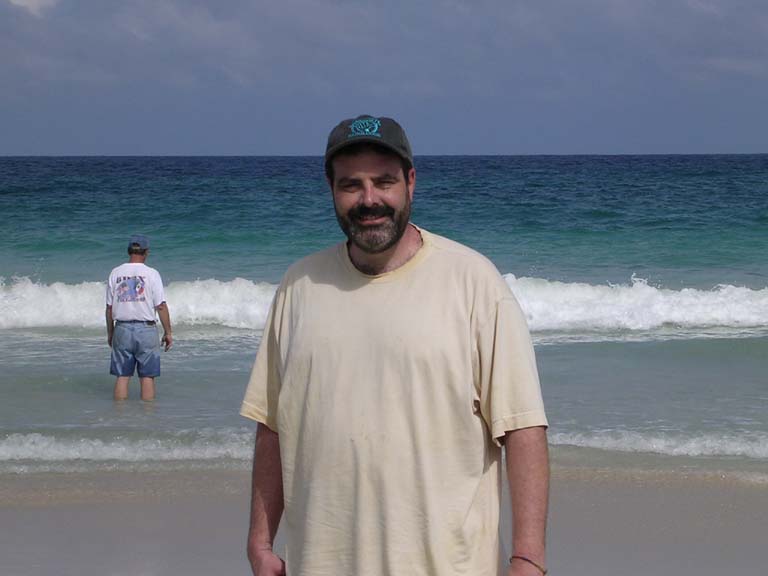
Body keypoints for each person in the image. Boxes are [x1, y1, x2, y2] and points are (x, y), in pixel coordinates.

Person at [241, 115, 549, 576]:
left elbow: (522, 427)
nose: (369, 200)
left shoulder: (474, 282)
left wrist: (528, 558)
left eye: (384, 182)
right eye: (351, 185)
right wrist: (260, 540)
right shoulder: (298, 287)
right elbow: (273, 425)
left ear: (410, 182)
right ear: (331, 189)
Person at [106, 234, 172, 401]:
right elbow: (161, 306)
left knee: (122, 376)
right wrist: (168, 332)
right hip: (146, 329)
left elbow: (109, 308)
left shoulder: (116, 272)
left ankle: (119, 413)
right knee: (147, 376)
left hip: (122, 328)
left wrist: (110, 333)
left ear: (129, 251)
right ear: (146, 252)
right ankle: (147, 414)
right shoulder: (152, 274)